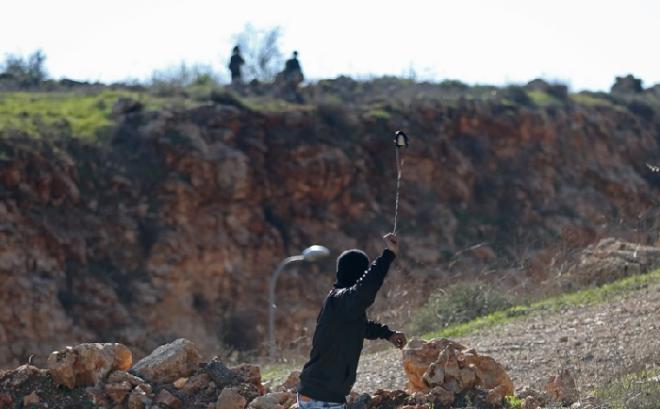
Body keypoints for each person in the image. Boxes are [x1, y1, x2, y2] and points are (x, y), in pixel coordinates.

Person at [297, 233, 407, 408]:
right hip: (321, 398)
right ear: (359, 274)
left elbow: (361, 327)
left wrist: (387, 334)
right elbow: (365, 290)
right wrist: (388, 254)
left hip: (323, 395)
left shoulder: (340, 305)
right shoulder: (341, 300)